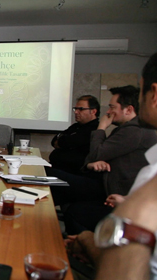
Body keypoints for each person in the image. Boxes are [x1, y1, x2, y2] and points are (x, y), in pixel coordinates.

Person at [65, 53, 157, 279]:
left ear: (153, 95)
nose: (109, 111)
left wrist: (87, 241)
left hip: (107, 193)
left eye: (112, 107)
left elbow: (94, 153)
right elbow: (91, 159)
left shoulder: (137, 139)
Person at [49, 95, 100, 175]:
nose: (76, 112)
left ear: (93, 111)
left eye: (80, 109)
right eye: (75, 109)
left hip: (73, 173)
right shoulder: (76, 126)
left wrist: (63, 141)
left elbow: (67, 142)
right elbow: (54, 140)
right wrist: (63, 141)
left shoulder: (94, 129)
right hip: (58, 168)